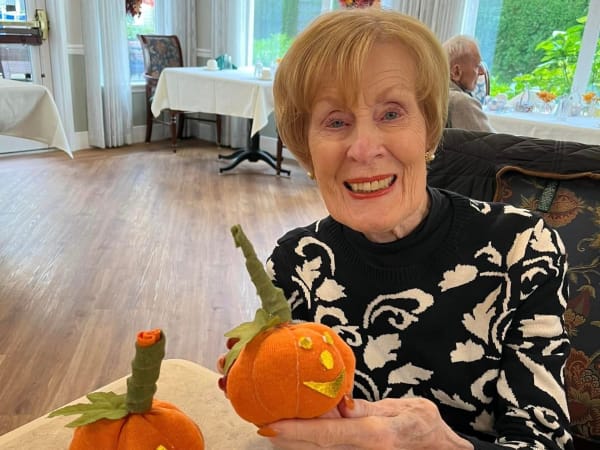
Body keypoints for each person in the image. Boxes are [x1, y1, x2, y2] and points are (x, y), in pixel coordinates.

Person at [223, 8, 574, 449]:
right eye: (335, 122)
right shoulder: (297, 264)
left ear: (428, 130)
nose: (364, 148)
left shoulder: (522, 248)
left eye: (391, 113)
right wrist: (259, 387)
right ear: (307, 148)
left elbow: (545, 441)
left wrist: (444, 445)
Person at [443, 35, 495, 132]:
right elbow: (495, 145)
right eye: (476, 66)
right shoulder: (460, 102)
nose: (481, 72)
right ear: (456, 72)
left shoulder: (435, 94)